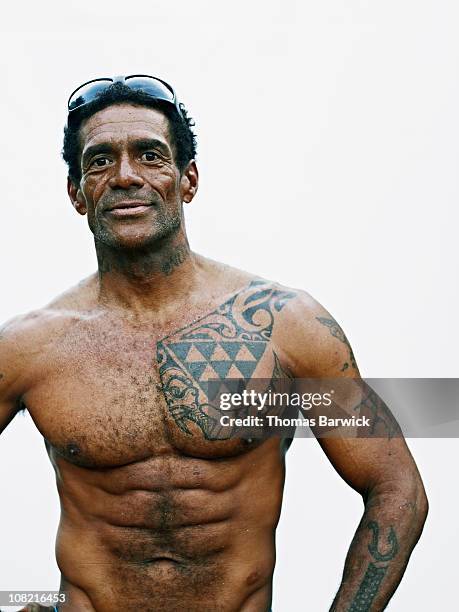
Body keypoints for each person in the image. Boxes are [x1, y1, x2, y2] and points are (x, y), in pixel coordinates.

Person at [0, 75, 427, 612]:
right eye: (100, 160)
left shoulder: (283, 326)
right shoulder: (27, 348)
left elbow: (397, 491)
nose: (125, 176)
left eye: (150, 155)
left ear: (188, 180)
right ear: (76, 193)